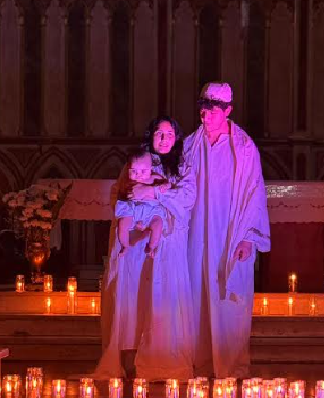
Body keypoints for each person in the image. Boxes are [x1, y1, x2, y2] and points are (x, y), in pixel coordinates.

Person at [97, 115, 196, 380]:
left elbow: (187, 198)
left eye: (170, 134)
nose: (164, 139)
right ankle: (130, 359)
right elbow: (120, 192)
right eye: (159, 133)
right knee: (136, 296)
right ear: (150, 136)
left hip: (167, 238)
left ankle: (162, 358)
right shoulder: (137, 161)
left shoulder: (183, 166)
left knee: (162, 295)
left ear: (177, 138)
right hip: (137, 243)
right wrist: (133, 197)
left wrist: (153, 193)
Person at [185, 82, 270, 378]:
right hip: (195, 237)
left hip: (230, 234)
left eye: (213, 109)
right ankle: (200, 363)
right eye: (203, 108)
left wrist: (249, 237)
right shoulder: (189, 145)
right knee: (196, 296)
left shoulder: (244, 147)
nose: (205, 114)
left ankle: (230, 366)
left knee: (227, 299)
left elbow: (254, 192)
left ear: (228, 111)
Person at [115, 149, 169, 258]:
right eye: (134, 171)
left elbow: (166, 183)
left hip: (151, 210)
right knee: (122, 223)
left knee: (158, 224)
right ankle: (124, 245)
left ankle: (152, 246)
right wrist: (127, 193)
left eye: (143, 171)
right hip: (133, 209)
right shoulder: (129, 181)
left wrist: (165, 186)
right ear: (128, 169)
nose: (138, 175)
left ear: (151, 169)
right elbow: (122, 192)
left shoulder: (154, 178)